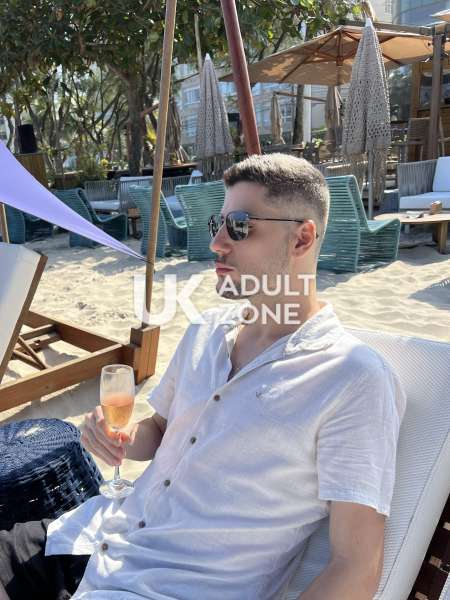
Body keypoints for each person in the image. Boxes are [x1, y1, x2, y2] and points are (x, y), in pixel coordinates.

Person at [0, 154, 406, 600]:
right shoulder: (206, 330)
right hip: (93, 537)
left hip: (167, 588)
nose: (216, 242)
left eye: (239, 226)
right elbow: (159, 430)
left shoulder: (350, 379)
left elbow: (356, 567)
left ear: (302, 238)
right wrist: (121, 438)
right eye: (218, 222)